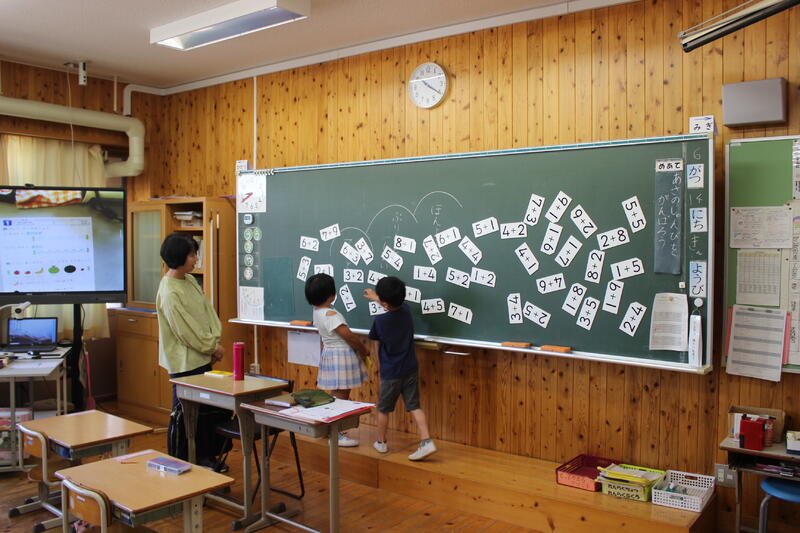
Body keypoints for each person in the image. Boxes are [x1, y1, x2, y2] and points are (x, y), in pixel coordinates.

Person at [156, 233, 226, 468]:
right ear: (178, 258)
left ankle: (205, 458)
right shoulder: (169, 291)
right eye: (192, 255)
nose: (196, 259)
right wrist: (211, 347)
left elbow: (207, 312)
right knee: (185, 416)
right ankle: (182, 461)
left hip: (202, 356)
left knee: (207, 413)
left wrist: (213, 343)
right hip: (185, 363)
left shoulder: (189, 281)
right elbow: (185, 331)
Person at [364, 276, 437, 461]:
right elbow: (393, 306)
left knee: (383, 409)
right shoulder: (406, 310)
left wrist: (379, 364)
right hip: (410, 368)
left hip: (391, 373)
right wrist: (377, 299)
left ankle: (381, 442)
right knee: (414, 406)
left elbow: (376, 345)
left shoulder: (379, 321)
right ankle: (426, 440)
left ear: (385, 304)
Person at [305, 273, 371, 447]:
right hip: (341, 355)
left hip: (330, 353)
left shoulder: (316, 312)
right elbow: (348, 336)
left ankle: (331, 430)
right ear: (331, 295)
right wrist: (363, 350)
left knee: (336, 395)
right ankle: (337, 434)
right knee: (342, 396)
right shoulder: (331, 314)